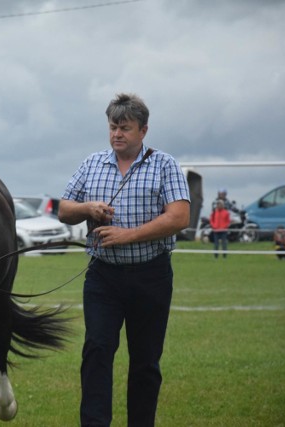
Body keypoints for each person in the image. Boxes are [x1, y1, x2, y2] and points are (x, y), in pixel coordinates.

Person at [58, 93, 191, 427]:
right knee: (97, 350)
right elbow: (63, 209)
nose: (117, 134)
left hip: (151, 276)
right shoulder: (92, 164)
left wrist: (126, 235)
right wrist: (88, 208)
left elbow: (179, 217)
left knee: (146, 361)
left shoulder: (165, 164)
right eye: (113, 127)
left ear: (143, 131)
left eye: (125, 128)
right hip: (103, 277)